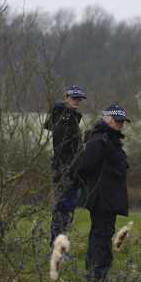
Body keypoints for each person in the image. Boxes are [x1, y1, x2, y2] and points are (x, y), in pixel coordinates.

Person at [75, 104, 130, 282]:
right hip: (102, 197)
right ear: (107, 119)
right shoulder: (101, 139)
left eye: (122, 121)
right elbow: (85, 166)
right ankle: (97, 277)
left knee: (100, 233)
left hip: (107, 197)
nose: (120, 124)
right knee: (103, 235)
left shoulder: (110, 138)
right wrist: (83, 186)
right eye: (117, 120)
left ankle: (93, 273)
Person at [43, 85, 86, 246]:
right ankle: (57, 248)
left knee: (66, 211)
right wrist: (70, 170)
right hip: (65, 172)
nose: (77, 101)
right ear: (65, 98)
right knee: (63, 211)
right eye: (74, 98)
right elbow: (61, 148)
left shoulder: (70, 116)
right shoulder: (63, 118)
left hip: (69, 171)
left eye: (79, 99)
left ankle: (59, 247)